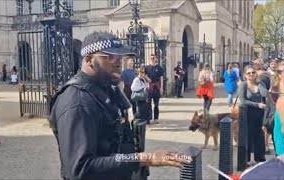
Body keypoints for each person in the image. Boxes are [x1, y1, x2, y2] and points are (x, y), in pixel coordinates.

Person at [48, 32, 190, 180]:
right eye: (110, 57)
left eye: (120, 57)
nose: (118, 62)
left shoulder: (106, 88)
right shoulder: (77, 102)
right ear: (89, 60)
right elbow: (79, 169)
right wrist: (143, 158)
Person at [238, 65, 268, 166]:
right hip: (248, 114)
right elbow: (243, 100)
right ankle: (245, 160)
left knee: (260, 137)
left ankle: (260, 158)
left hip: (260, 115)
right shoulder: (243, 85)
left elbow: (265, 94)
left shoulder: (261, 84)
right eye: (249, 73)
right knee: (248, 137)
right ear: (245, 76)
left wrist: (259, 83)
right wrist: (257, 105)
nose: (251, 74)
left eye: (253, 72)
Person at [145, 54, 164, 124]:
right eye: (151, 58)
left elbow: (161, 78)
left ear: (155, 58)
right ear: (149, 59)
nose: (152, 59)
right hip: (149, 87)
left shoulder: (159, 68)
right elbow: (143, 75)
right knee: (148, 103)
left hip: (156, 87)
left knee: (156, 104)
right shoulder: (147, 67)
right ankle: (149, 117)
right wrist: (147, 78)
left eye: (153, 58)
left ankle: (156, 118)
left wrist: (161, 88)